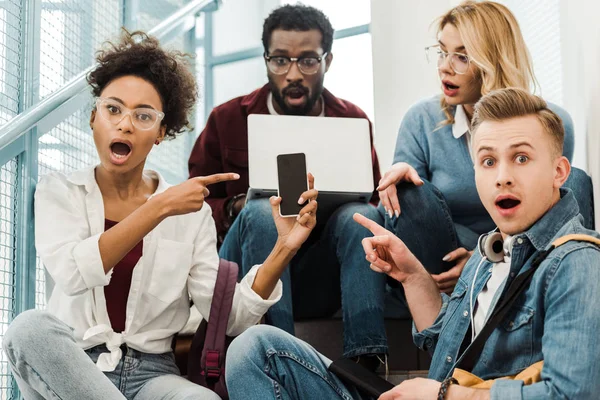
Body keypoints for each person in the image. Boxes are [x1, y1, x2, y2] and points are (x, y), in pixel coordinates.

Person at [225, 87, 600, 400]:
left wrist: (446, 395)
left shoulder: (576, 262)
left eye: (520, 158)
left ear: (559, 172)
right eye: (488, 162)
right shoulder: (489, 252)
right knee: (255, 348)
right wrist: (412, 277)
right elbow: (444, 350)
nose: (502, 177)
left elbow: (572, 394)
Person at [2, 30, 319, 400]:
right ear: (93, 118)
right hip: (75, 369)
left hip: (152, 374)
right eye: (113, 109)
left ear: (160, 133)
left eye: (143, 115)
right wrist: (158, 208)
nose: (124, 124)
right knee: (28, 329)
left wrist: (284, 248)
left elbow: (229, 316)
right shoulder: (60, 191)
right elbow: (74, 274)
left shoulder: (190, 212)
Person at [188, 4, 387, 368]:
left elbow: (373, 202)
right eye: (280, 60)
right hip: (249, 273)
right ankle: (278, 358)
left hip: (319, 272)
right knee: (265, 212)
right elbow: (194, 204)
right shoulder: (227, 119)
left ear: (328, 60)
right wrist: (235, 208)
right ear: (266, 60)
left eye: (308, 61)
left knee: (361, 215)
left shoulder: (353, 121)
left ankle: (368, 362)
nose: (293, 73)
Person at [376, 1, 593, 296]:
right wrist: (399, 178)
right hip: (444, 252)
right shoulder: (421, 119)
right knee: (409, 189)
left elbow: (546, 215)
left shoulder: (551, 123)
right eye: (442, 52)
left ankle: (563, 290)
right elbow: (409, 220)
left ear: (494, 60)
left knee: (576, 180)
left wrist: (483, 256)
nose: (444, 67)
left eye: (461, 57)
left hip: (519, 252)